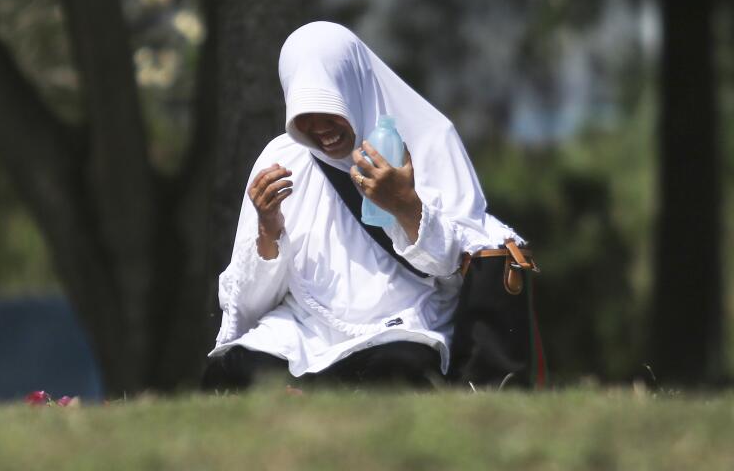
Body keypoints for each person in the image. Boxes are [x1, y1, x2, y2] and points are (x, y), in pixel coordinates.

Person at [204, 22, 521, 390]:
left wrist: (405, 205)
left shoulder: (428, 143)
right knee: (229, 373)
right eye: (304, 114)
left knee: (399, 369)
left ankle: (306, 401)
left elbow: (457, 270)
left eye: (329, 108)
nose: (320, 128)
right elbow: (248, 305)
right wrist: (268, 231)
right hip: (304, 329)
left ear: (352, 89)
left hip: (397, 324)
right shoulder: (281, 157)